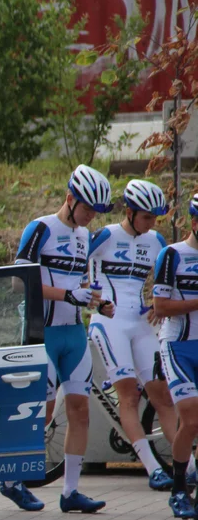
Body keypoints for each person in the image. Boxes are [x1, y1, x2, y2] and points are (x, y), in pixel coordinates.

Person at [4, 164, 114, 513]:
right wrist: (68, 296)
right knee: (43, 412)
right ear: (69, 199)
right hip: (43, 332)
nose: (91, 216)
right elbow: (18, 283)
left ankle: (70, 492)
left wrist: (97, 301)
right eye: (87, 209)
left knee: (80, 411)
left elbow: (76, 285)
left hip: (74, 333)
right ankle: (11, 479)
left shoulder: (84, 236)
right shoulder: (41, 229)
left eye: (96, 212)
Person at [87, 179, 181, 491]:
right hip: (109, 321)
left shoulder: (155, 240)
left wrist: (159, 300)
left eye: (155, 218)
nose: (152, 223)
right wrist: (94, 301)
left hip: (140, 321)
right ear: (129, 211)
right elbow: (75, 271)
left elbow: (169, 277)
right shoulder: (105, 236)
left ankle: (188, 468)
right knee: (128, 395)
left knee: (163, 394)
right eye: (146, 217)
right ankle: (153, 468)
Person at [153, 192, 198, 520]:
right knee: (192, 419)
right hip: (178, 346)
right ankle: (179, 489)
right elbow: (161, 307)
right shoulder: (172, 255)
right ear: (195, 224)